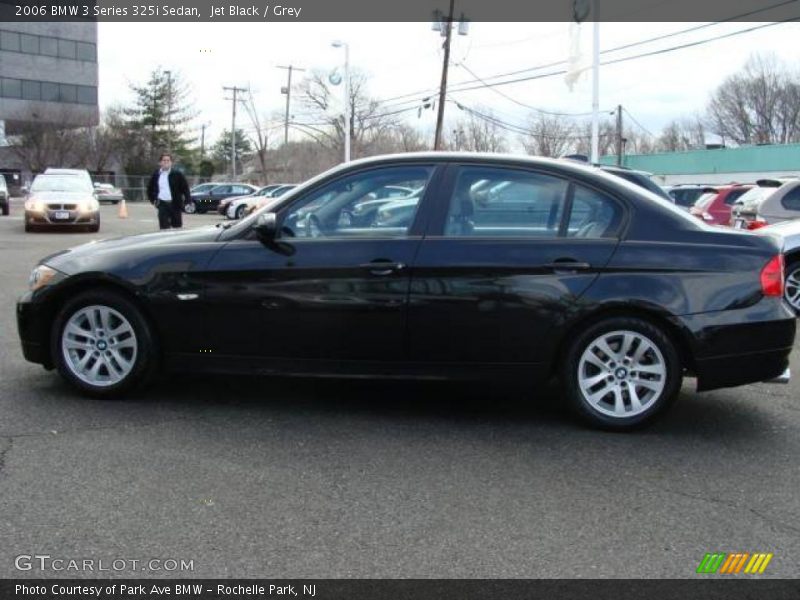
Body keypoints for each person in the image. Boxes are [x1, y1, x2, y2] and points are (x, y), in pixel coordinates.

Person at [146, 153, 191, 229]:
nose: (166, 162)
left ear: (171, 162)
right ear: (160, 162)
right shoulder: (156, 174)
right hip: (162, 205)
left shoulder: (177, 174)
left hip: (175, 205)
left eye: (168, 160)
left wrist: (187, 201)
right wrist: (153, 200)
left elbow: (185, 188)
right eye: (164, 160)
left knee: (177, 227)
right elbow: (149, 188)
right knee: (164, 228)